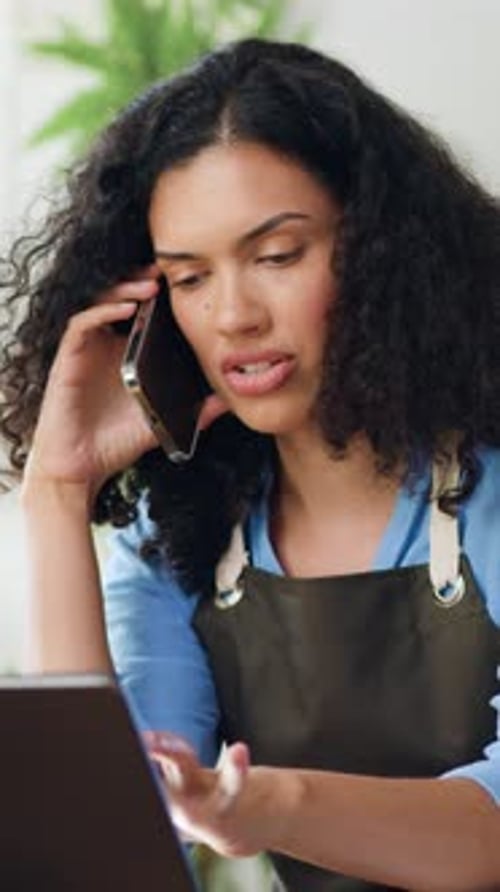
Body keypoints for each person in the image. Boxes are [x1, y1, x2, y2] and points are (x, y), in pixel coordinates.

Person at [0, 36, 499, 891]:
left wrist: (271, 806)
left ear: (384, 252)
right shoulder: (184, 533)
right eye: (189, 278)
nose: (233, 315)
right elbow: (110, 845)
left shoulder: (483, 488)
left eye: (276, 256)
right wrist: (57, 491)